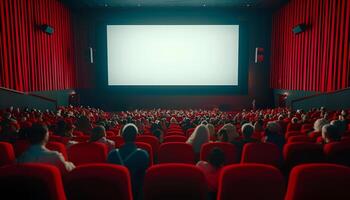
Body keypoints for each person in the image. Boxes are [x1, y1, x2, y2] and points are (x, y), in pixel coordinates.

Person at [107, 123, 149, 200]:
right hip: (136, 194)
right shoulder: (143, 154)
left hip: (117, 194)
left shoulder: (112, 155)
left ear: (122, 136)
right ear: (136, 136)